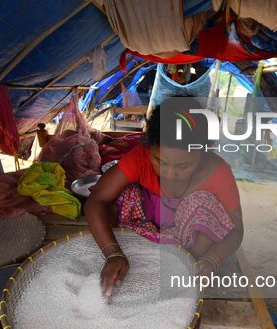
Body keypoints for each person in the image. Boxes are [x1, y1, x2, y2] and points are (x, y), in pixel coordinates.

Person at [85, 97, 243, 297]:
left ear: (204, 152)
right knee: (123, 193)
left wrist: (212, 259)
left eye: (183, 166)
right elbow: (96, 200)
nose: (170, 173)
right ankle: (130, 258)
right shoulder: (140, 158)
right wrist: (113, 253)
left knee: (203, 203)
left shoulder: (217, 172)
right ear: (149, 147)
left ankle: (185, 269)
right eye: (160, 161)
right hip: (145, 227)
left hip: (190, 243)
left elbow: (237, 230)